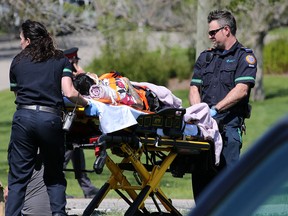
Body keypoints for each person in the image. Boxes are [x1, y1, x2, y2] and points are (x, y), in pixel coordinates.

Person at [6, 20, 97, 216]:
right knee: (54, 175)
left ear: (28, 40)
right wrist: (87, 104)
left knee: (18, 178)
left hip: (23, 118)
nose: (20, 43)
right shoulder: (60, 59)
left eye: (21, 39)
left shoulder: (17, 61)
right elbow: (70, 92)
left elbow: (18, 96)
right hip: (50, 119)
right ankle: (58, 214)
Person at [189, 10, 257, 202]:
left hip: (228, 129)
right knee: (201, 183)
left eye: (213, 32)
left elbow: (241, 90)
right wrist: (199, 113)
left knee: (229, 186)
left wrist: (215, 109)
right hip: (204, 130)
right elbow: (195, 88)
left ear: (226, 30)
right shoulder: (205, 57)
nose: (210, 36)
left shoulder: (244, 57)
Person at [63, 47, 99, 199]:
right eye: (75, 61)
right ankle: (58, 188)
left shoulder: (74, 75)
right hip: (67, 124)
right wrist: (79, 72)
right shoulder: (64, 76)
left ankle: (87, 188)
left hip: (77, 125)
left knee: (77, 152)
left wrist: (81, 73)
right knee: (65, 155)